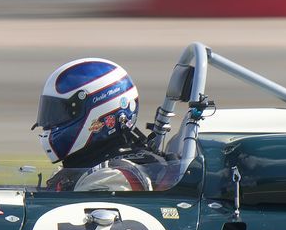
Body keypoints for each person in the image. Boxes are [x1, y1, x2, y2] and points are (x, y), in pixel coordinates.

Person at [33, 57, 178, 192]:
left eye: (60, 114)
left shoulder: (110, 178)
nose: (49, 124)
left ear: (100, 112)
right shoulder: (82, 168)